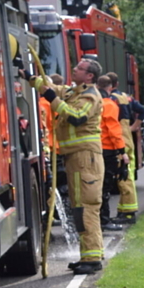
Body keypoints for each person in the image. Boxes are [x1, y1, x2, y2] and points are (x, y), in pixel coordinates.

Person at [30, 59, 104, 274]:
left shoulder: (90, 96)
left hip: (85, 158)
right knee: (80, 206)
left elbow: (77, 117)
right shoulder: (75, 92)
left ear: (89, 76)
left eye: (79, 68)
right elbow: (52, 87)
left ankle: (92, 259)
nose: (74, 69)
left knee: (86, 207)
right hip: (76, 158)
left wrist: (52, 99)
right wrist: (29, 76)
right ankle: (90, 255)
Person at [105, 72, 138, 223]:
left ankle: (128, 212)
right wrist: (134, 126)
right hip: (127, 136)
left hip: (120, 139)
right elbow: (142, 111)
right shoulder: (126, 97)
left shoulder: (110, 99)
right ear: (116, 84)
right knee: (127, 174)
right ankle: (125, 210)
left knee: (123, 176)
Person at [97, 76, 126, 232]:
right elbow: (113, 130)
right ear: (110, 88)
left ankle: (97, 220)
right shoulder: (110, 105)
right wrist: (122, 151)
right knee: (105, 186)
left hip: (93, 148)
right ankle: (105, 220)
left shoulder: (93, 102)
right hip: (107, 149)